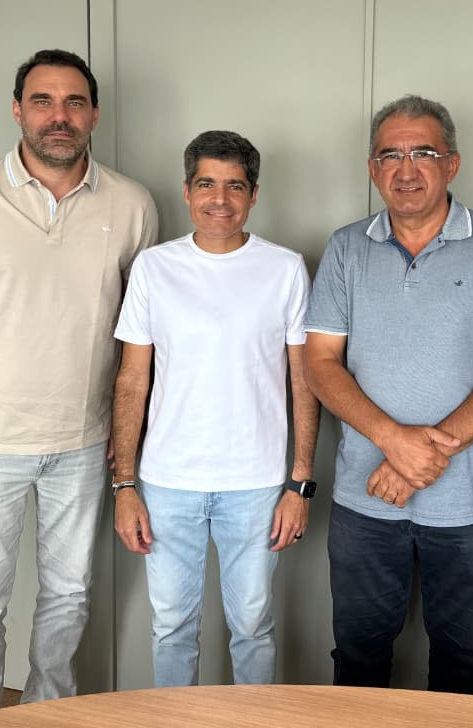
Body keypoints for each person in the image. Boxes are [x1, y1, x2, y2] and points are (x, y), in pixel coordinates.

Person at [0, 48, 157, 716]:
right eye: (43, 101)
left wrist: (126, 439)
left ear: (95, 114)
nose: (59, 116)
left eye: (74, 102)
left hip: (84, 442)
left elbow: (140, 339)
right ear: (17, 110)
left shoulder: (132, 204)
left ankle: (50, 717)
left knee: (68, 599)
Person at [304, 95, 473, 694]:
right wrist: (394, 442)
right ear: (373, 168)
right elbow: (320, 364)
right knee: (358, 660)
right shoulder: (345, 247)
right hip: (366, 499)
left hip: (469, 504)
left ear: (452, 164)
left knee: (462, 667)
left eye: (424, 153)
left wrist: (421, 455)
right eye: (390, 155)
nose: (406, 169)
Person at [111, 130, 318, 687]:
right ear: (187, 191)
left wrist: (299, 486)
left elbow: (305, 381)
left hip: (255, 484)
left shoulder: (285, 268)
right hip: (167, 482)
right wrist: (124, 485)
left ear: (254, 195)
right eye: (206, 184)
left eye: (234, 186)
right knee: (171, 628)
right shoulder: (154, 268)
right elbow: (132, 379)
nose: (219, 199)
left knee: (252, 626)